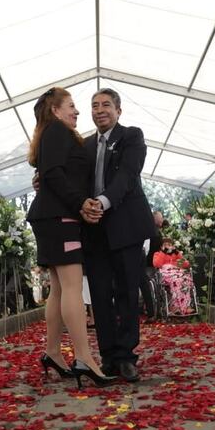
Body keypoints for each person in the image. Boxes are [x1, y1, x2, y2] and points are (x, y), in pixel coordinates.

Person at [27, 86, 113, 388]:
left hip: (52, 217)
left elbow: (51, 173)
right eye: (72, 106)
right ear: (55, 110)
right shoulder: (57, 132)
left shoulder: (52, 135)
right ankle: (84, 357)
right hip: (59, 219)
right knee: (73, 288)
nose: (77, 111)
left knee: (61, 290)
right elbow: (53, 174)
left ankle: (53, 352)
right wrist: (80, 203)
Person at [82, 88, 156, 383]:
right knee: (99, 295)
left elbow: (127, 175)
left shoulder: (131, 136)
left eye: (106, 105)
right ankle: (108, 356)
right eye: (94, 105)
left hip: (126, 226)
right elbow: (72, 178)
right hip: (94, 229)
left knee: (126, 292)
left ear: (118, 110)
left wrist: (103, 201)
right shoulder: (84, 145)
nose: (99, 110)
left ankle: (126, 356)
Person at [152, 238, 195, 315]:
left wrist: (177, 253)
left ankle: (186, 306)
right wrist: (163, 252)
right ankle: (175, 307)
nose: (168, 247)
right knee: (177, 281)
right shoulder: (157, 254)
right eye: (165, 245)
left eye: (170, 245)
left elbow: (186, 264)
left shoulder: (175, 255)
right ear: (161, 247)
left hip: (177, 273)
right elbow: (157, 264)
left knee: (186, 280)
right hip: (166, 275)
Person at [140, 211, 164, 320]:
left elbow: (146, 249)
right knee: (145, 284)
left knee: (145, 284)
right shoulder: (153, 231)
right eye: (160, 218)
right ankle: (150, 311)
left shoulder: (151, 231)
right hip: (148, 262)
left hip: (148, 263)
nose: (161, 220)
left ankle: (150, 311)